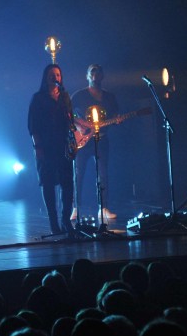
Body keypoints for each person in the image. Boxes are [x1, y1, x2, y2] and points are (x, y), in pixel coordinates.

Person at [28, 63, 91, 236]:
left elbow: (70, 121)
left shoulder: (64, 97)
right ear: (45, 77)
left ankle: (65, 221)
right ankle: (53, 222)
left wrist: (78, 135)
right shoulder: (38, 98)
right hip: (46, 147)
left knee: (67, 183)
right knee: (48, 184)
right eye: (51, 74)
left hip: (64, 146)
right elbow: (33, 126)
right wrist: (38, 147)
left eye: (57, 74)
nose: (55, 77)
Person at [71, 64, 120, 221]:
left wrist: (117, 120)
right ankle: (75, 208)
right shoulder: (78, 96)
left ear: (102, 76)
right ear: (87, 76)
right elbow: (68, 115)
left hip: (102, 139)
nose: (96, 75)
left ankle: (103, 208)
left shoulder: (109, 97)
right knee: (79, 174)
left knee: (103, 174)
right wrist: (80, 126)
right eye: (93, 72)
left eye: (99, 72)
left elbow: (114, 115)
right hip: (83, 141)